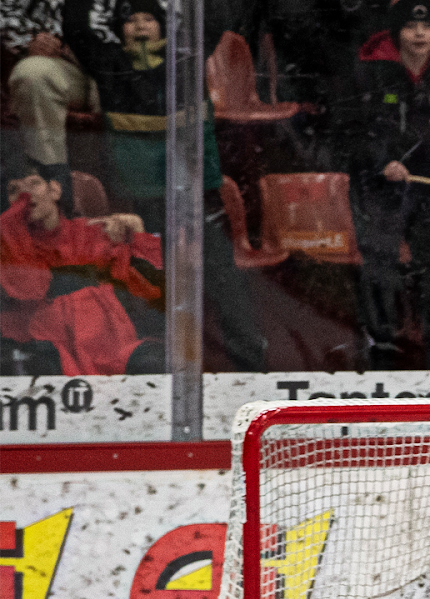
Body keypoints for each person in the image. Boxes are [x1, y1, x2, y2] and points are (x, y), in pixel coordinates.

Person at [61, 0, 267, 371]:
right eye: (131, 21)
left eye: (148, 20)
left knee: (221, 273)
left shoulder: (187, 57)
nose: (140, 27)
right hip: (143, 195)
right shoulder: (109, 63)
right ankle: (160, 362)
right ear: (118, 30)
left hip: (195, 191)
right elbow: (76, 28)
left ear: (164, 27)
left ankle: (250, 359)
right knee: (154, 278)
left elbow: (218, 17)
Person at [339, 0, 430, 370]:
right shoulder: (370, 73)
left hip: (426, 187)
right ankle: (383, 344)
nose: (420, 34)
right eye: (411, 27)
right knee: (380, 264)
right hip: (377, 187)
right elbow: (353, 129)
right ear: (397, 32)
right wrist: (381, 160)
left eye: (428, 27)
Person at [1, 161, 163, 376]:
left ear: (55, 190)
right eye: (15, 190)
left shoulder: (93, 233)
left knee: (156, 362)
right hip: (42, 352)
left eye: (33, 184)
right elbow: (29, 289)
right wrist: (10, 227)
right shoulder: (8, 246)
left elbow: (154, 289)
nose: (25, 195)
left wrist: (138, 234)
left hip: (110, 349)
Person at [5, 14, 95, 216]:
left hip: (83, 61)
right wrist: (25, 44)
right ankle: (51, 183)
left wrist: (70, 47)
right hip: (32, 68)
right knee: (33, 73)